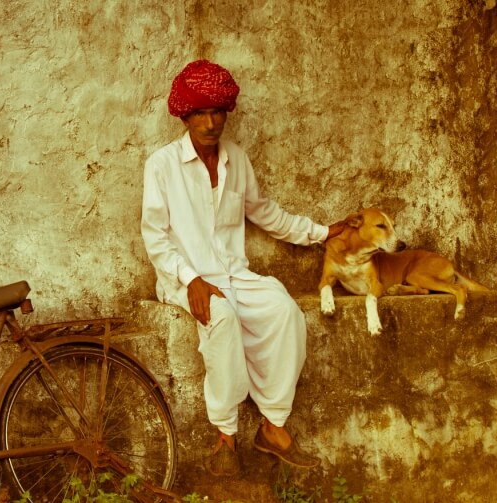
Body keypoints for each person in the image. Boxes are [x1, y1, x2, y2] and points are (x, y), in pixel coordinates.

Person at [140, 59, 345, 476]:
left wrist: (322, 233)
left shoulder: (236, 158)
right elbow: (155, 235)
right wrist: (190, 279)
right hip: (186, 277)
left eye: (218, 111)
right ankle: (225, 438)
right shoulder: (161, 165)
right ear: (185, 114)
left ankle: (273, 427)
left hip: (234, 273)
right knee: (222, 321)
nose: (211, 121)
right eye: (200, 112)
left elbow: (263, 212)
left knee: (285, 313)